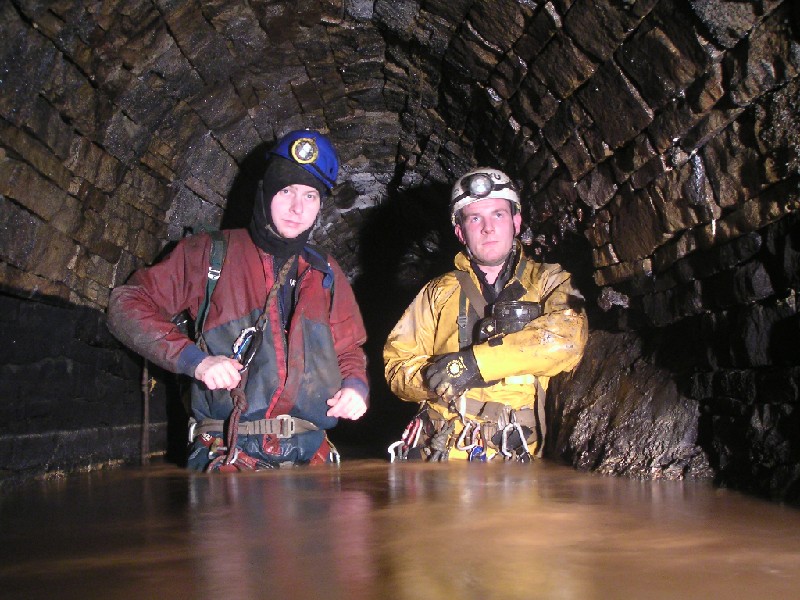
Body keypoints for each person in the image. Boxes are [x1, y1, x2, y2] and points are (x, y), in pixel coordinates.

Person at [108, 130, 369, 471]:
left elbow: (349, 351)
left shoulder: (325, 272)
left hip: (309, 457)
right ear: (265, 192)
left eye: (310, 195)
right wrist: (195, 361)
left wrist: (355, 387)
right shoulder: (207, 254)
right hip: (230, 453)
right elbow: (126, 305)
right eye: (286, 191)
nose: (297, 208)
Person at [384, 167, 587, 462]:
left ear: (516, 222)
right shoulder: (436, 292)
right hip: (439, 451)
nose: (488, 228)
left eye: (498, 215)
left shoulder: (551, 281)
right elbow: (396, 366)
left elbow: (568, 339)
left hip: (513, 452)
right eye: (475, 218)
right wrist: (434, 379)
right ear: (460, 231)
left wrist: (474, 364)